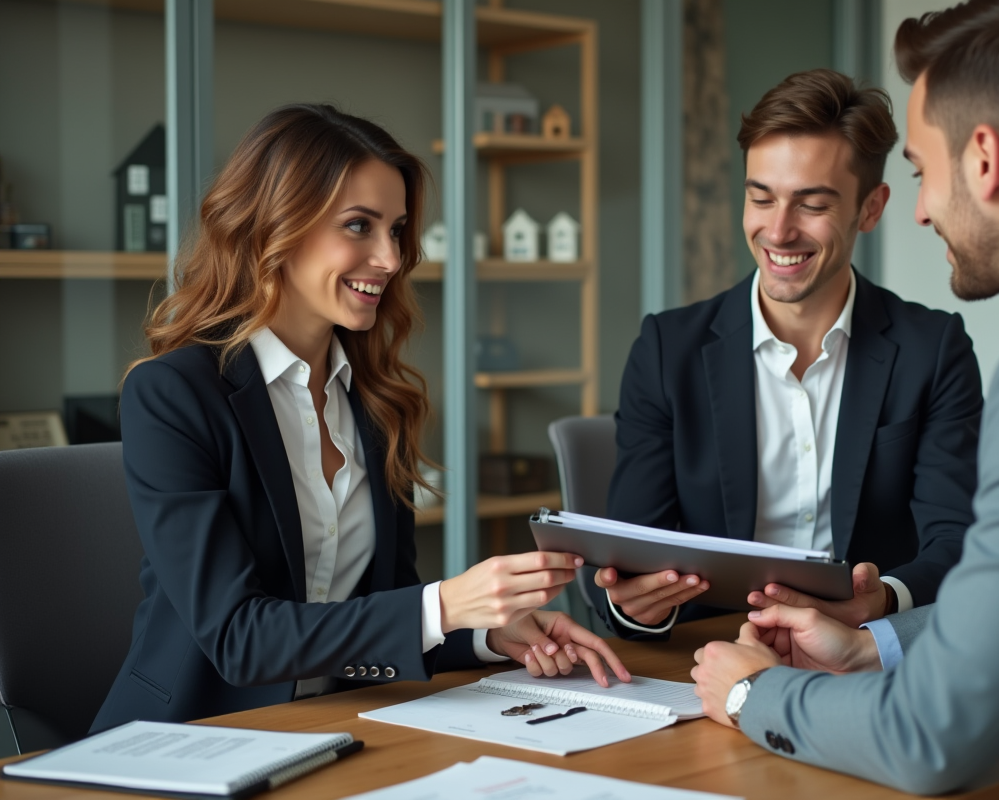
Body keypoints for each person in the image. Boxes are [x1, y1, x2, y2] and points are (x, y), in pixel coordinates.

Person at [690, 1, 999, 797]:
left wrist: (753, 692)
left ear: (985, 159)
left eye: (923, 170)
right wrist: (876, 648)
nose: (921, 208)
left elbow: (928, 740)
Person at [92, 104, 628, 732]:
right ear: (276, 228)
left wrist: (487, 633)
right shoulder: (174, 395)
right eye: (359, 226)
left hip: (342, 727)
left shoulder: (374, 400)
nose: (391, 257)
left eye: (397, 229)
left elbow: (374, 614)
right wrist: (447, 604)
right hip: (191, 738)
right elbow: (237, 637)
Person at [593, 69, 983, 639]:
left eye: (812, 204)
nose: (778, 231)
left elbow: (956, 543)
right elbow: (627, 562)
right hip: (709, 654)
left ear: (870, 209)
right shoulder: (665, 349)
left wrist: (884, 600)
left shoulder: (934, 349)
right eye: (761, 198)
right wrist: (636, 605)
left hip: (865, 657)